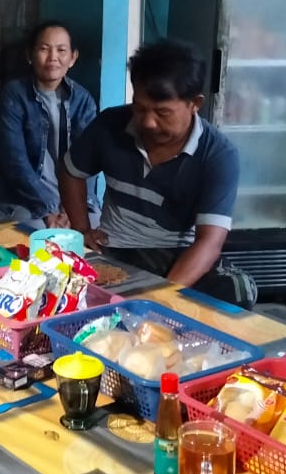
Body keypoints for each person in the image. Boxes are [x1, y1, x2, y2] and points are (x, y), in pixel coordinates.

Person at [59, 41, 257, 309]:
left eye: (163, 112)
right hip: (116, 249)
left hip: (177, 256)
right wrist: (82, 229)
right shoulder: (110, 125)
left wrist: (158, 301)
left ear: (194, 103)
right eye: (140, 108)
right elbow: (72, 172)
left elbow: (209, 243)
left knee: (238, 289)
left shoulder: (218, 155)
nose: (149, 122)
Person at [0, 21, 99, 229]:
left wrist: (74, 208)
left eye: (61, 50)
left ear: (73, 58)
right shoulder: (14, 96)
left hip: (73, 201)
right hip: (25, 200)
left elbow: (90, 162)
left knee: (97, 235)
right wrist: (48, 208)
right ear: (29, 55)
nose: (53, 58)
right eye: (44, 49)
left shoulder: (83, 100)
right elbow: (15, 162)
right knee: (37, 241)